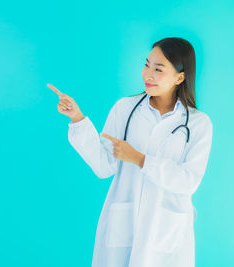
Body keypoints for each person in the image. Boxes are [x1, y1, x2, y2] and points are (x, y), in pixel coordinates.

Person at [48, 37, 213, 267]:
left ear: (180, 77)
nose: (148, 74)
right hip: (124, 226)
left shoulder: (198, 124)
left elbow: (188, 182)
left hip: (167, 233)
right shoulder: (125, 109)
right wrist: (77, 118)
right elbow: (104, 166)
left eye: (158, 69)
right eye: (147, 65)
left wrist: (140, 159)